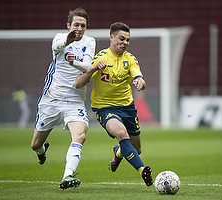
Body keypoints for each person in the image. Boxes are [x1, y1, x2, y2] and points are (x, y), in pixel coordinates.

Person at [74, 22, 153, 187]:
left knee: (136, 149)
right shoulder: (100, 57)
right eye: (121, 39)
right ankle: (142, 170)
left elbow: (139, 78)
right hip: (105, 108)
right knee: (121, 134)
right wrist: (93, 69)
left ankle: (118, 152)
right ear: (111, 37)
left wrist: (140, 82)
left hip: (128, 108)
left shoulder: (130, 59)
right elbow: (78, 83)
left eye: (128, 40)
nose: (125, 43)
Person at [30, 8, 96, 190]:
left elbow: (88, 67)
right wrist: (69, 39)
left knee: (80, 136)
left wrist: (74, 62)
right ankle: (42, 151)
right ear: (68, 25)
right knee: (35, 144)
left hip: (75, 101)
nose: (79, 28)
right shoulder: (59, 38)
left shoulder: (90, 41)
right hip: (52, 99)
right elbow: (59, 45)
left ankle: (67, 176)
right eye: (76, 25)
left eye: (83, 25)